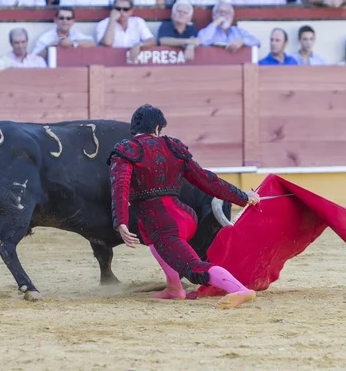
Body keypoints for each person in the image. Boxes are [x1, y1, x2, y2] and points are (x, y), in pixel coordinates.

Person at [107, 104, 260, 309]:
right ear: (158, 127)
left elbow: (120, 186)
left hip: (164, 224)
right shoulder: (172, 147)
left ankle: (240, 290)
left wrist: (121, 222)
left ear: (134, 128)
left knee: (192, 267)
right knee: (149, 234)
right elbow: (206, 180)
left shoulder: (126, 151)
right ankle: (174, 288)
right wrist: (242, 196)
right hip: (183, 217)